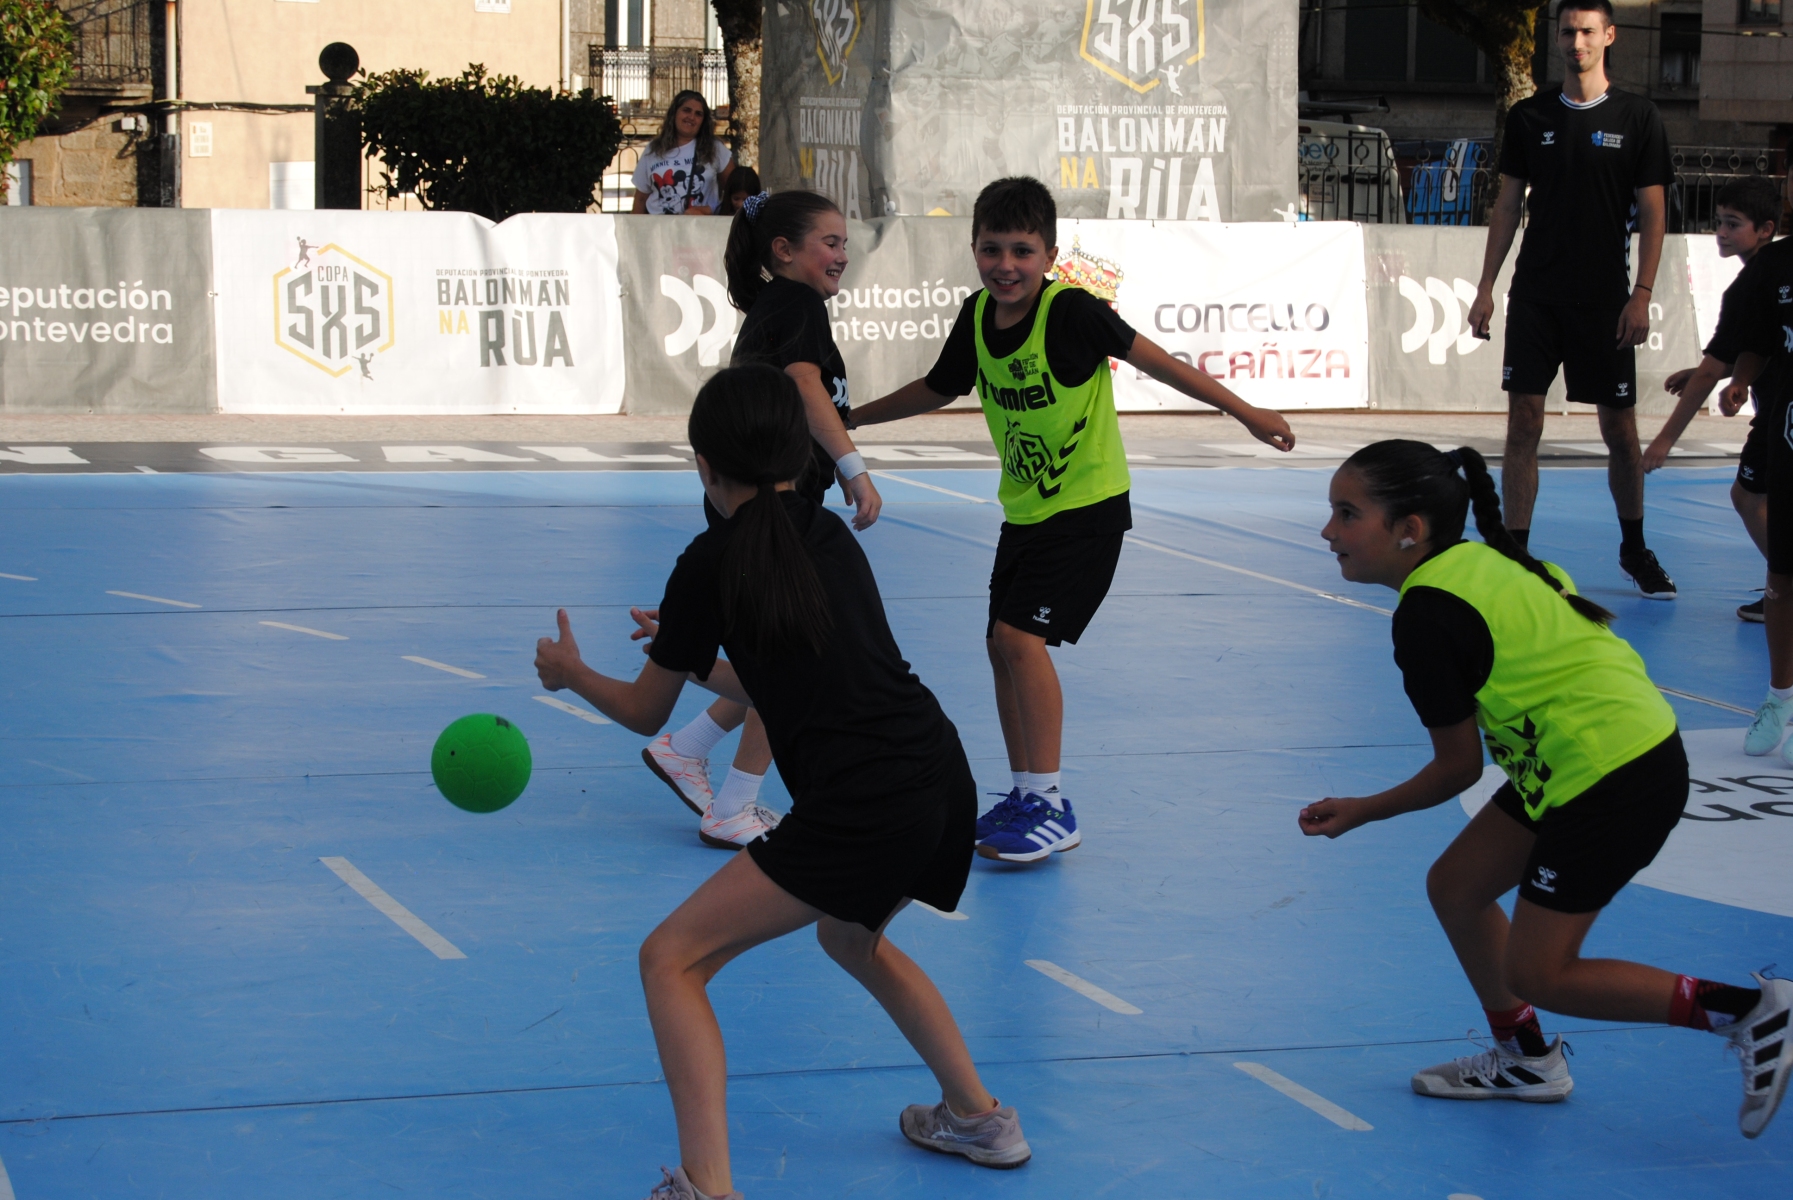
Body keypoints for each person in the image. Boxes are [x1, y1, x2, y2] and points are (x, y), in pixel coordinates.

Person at [533, 365, 1031, 1200]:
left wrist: (571, 672)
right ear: (797, 454)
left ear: (702, 464)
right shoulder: (824, 533)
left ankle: (706, 1186)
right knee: (849, 938)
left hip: (863, 807)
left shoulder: (710, 560)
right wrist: (691, 652)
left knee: (670, 960)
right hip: (937, 775)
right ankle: (977, 1118)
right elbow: (790, 680)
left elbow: (643, 713)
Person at [1300, 439, 1791, 1138]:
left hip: (1608, 776)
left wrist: (1362, 810)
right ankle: (1526, 1060)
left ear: (1409, 529)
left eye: (1347, 514)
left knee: (1542, 973)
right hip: (1606, 754)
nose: (1328, 531)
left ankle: (1749, 1012)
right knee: (1457, 887)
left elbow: (1456, 769)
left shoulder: (1428, 615)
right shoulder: (1490, 560)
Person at [850, 176, 1294, 862]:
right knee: (999, 645)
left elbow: (1159, 363)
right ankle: (1026, 794)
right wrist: (850, 420)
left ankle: (1052, 805)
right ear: (973, 249)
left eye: (1021, 251)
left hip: (1087, 509)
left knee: (1018, 638)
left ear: (1050, 256)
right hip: (1025, 513)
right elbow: (939, 387)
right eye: (991, 249)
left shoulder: (1072, 312)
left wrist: (1245, 412)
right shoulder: (976, 315)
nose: (1005, 265)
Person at [1465, 0, 1676, 599]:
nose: (1575, 42)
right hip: (1536, 296)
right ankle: (1516, 551)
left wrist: (1641, 295)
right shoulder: (1529, 115)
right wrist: (1486, 287)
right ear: (1555, 39)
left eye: (1586, 31)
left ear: (1609, 36)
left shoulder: (1638, 116)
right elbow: (1508, 204)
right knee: (1523, 423)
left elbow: (1654, 213)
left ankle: (1634, 547)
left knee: (1620, 430)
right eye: (1566, 32)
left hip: (1606, 301)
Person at [1643, 174, 1786, 623]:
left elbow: (1713, 370)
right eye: (1718, 221)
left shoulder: (1752, 282)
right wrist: (1726, 373)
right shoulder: (1769, 273)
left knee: (1748, 497)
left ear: (1765, 229)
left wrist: (1664, 440)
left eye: (1732, 224)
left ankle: (1785, 585)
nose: (1720, 232)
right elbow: (1763, 345)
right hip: (1777, 407)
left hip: (1780, 414)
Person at [725, 189, 882, 529]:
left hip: (764, 499)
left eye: (844, 245)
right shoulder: (799, 301)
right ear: (784, 250)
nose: (843, 257)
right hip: (772, 502)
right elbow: (806, 386)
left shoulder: (782, 302)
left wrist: (834, 456)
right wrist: (855, 468)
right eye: (831, 244)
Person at [632, 90, 733, 216]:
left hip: (701, 226)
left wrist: (709, 209)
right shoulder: (653, 149)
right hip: (659, 227)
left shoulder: (715, 148)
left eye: (698, 114)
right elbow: (641, 199)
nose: (691, 117)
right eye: (686, 110)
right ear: (674, 113)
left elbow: (735, 192)